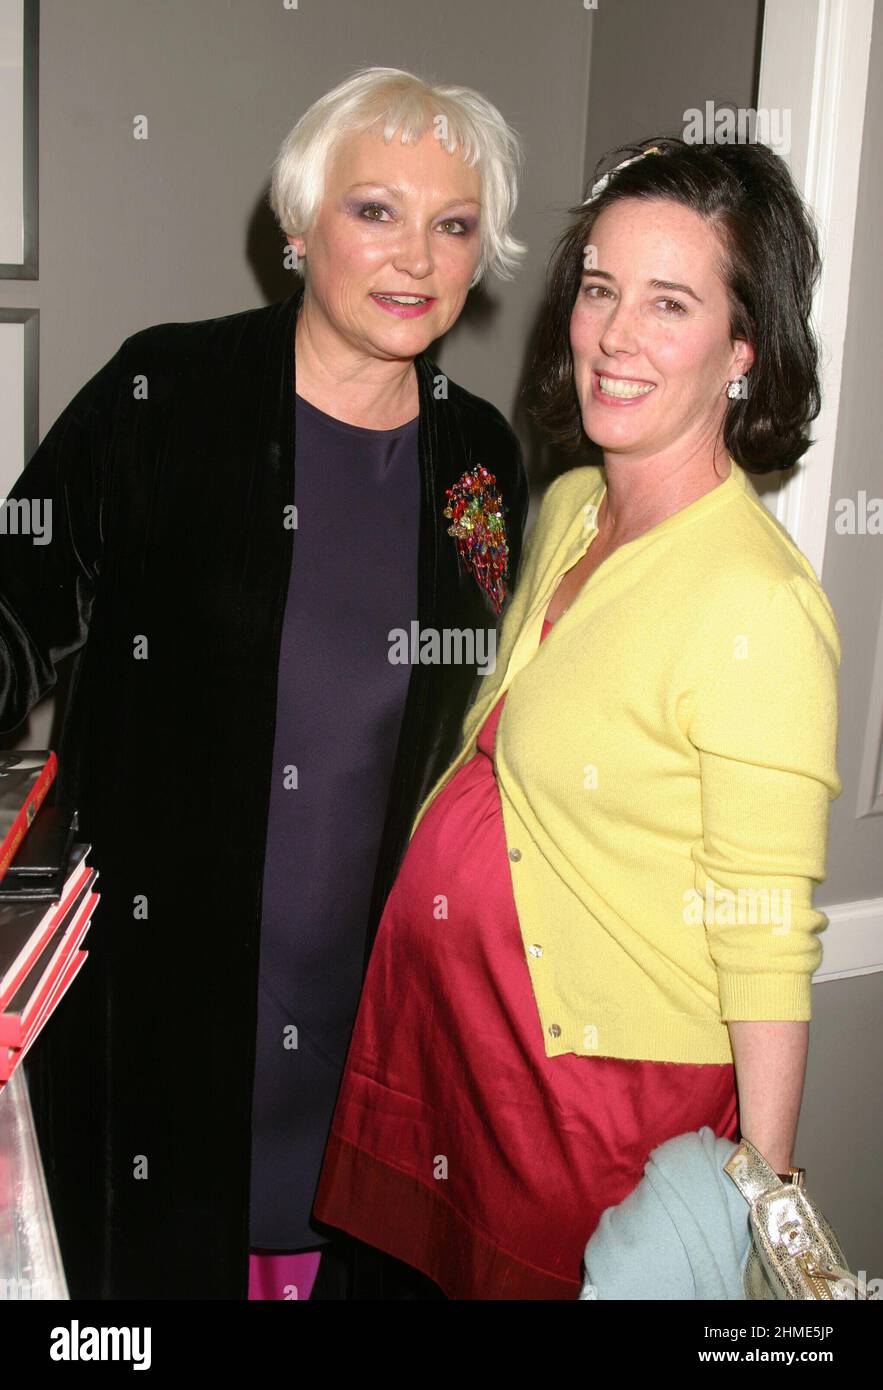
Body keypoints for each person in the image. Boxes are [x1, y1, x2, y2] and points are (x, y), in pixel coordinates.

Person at [0, 66, 529, 1299]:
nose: (417, 257)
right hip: (163, 1007)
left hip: (374, 1026)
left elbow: (493, 701)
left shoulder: (476, 460)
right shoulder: (161, 396)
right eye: (374, 211)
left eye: (453, 224)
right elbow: (13, 611)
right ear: (298, 229)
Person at [313, 135, 843, 1298]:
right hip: (448, 1038)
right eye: (599, 288)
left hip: (588, 1097)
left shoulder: (758, 605)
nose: (612, 335)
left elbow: (764, 929)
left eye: (669, 303)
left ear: (743, 352)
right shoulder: (566, 503)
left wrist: (760, 1194)